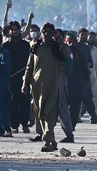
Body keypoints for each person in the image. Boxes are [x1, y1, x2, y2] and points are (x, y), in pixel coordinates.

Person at [22, 23, 71, 152]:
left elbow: (67, 54)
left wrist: (60, 41)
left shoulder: (56, 47)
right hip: (37, 86)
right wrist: (25, 83)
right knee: (40, 114)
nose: (47, 35)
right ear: (41, 33)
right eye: (45, 32)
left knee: (49, 113)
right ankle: (52, 140)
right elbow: (29, 67)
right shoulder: (35, 47)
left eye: (50, 32)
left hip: (53, 86)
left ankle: (47, 141)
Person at [3, 21, 31, 134]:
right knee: (12, 102)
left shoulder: (25, 44)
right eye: (12, 29)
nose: (14, 31)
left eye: (16, 29)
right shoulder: (6, 45)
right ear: (9, 31)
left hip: (24, 76)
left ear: (20, 30)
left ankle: (25, 124)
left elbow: (30, 61)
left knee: (25, 101)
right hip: (10, 78)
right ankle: (14, 125)